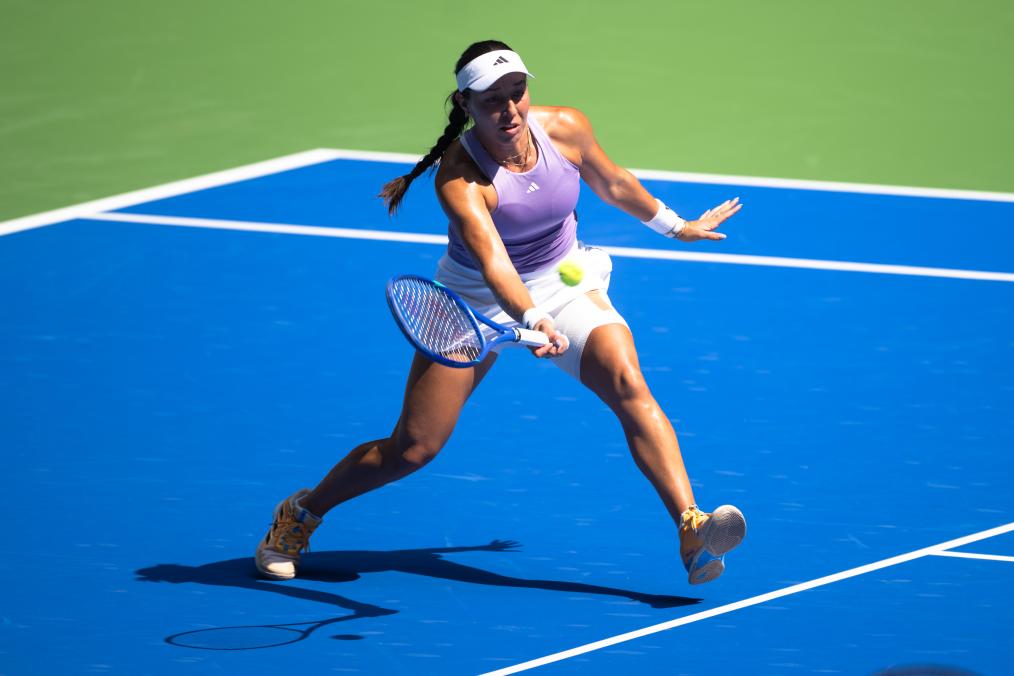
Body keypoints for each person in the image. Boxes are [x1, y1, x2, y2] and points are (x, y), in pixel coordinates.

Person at [256, 40, 746, 586]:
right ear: (466, 104)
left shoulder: (565, 127)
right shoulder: (459, 178)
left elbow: (613, 183)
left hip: (562, 281)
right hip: (470, 304)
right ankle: (301, 514)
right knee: (412, 450)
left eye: (517, 93)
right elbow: (494, 265)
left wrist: (677, 226)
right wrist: (532, 319)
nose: (510, 110)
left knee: (628, 382)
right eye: (492, 101)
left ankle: (690, 525)